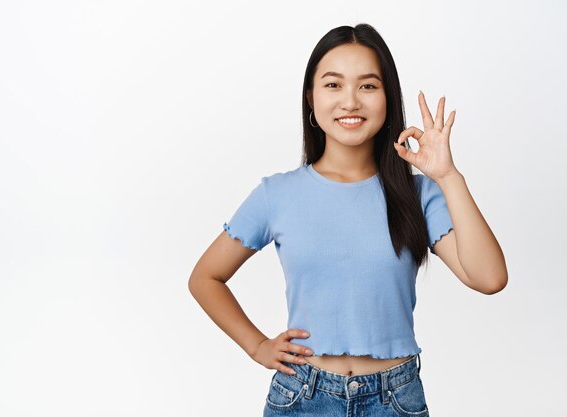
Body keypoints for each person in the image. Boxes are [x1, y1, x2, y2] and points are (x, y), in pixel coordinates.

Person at [188, 23, 507, 417]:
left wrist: (447, 176)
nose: (351, 101)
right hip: (301, 396)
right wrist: (257, 346)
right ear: (311, 96)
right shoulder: (277, 194)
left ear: (388, 96)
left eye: (368, 86)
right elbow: (205, 277)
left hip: (395, 399)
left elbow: (489, 278)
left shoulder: (418, 193)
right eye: (334, 85)